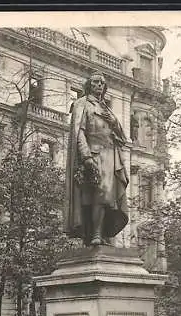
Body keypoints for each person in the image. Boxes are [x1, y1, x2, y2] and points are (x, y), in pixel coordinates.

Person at [64, 72, 129, 246]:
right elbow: (79, 132)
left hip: (110, 157)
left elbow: (122, 139)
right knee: (99, 195)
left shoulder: (107, 109)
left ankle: (103, 234)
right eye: (95, 82)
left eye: (102, 83)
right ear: (89, 85)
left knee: (108, 197)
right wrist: (85, 156)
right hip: (94, 154)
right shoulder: (82, 104)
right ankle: (95, 234)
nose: (99, 85)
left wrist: (114, 121)